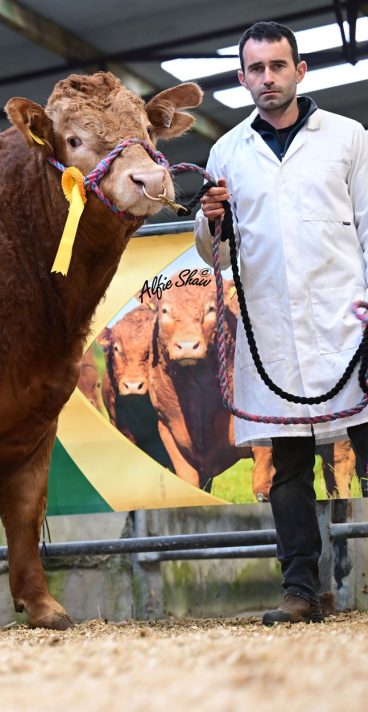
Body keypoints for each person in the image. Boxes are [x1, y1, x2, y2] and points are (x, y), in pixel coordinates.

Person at [195, 21, 368, 625]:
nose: (268, 78)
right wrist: (211, 221)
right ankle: (300, 591)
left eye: (278, 66)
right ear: (242, 78)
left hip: (348, 323)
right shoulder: (226, 152)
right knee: (287, 468)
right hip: (271, 331)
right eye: (256, 69)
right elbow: (212, 251)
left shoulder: (347, 138)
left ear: (300, 70)